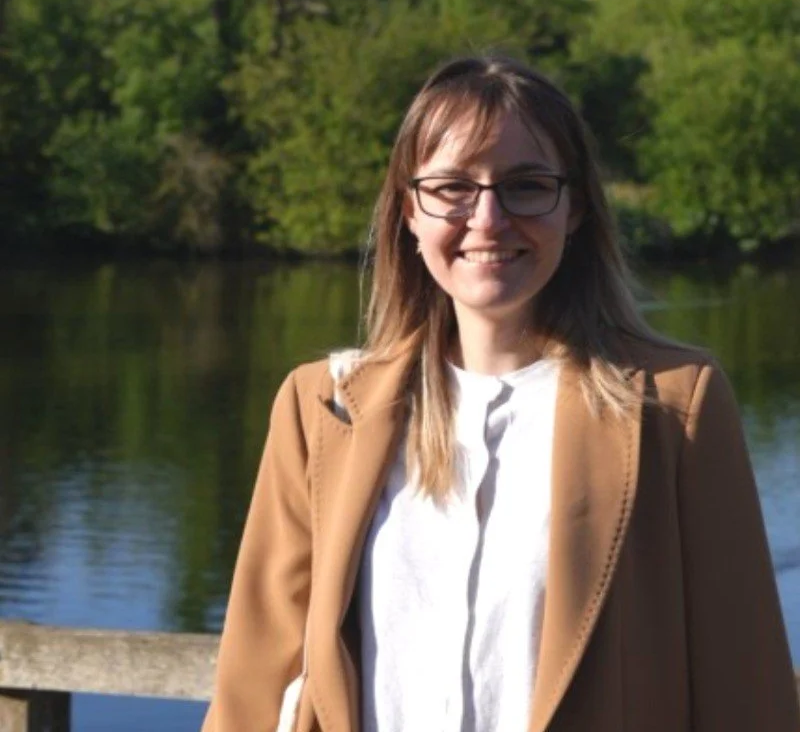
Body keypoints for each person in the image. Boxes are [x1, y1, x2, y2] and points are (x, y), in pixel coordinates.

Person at [201, 55, 799, 732]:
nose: (488, 218)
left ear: (573, 209)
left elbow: (746, 691)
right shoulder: (323, 408)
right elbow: (254, 687)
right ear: (409, 212)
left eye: (526, 185)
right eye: (453, 187)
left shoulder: (675, 406)